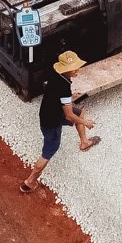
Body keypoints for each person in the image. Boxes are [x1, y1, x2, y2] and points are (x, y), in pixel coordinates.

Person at [20, 50, 100, 193]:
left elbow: (63, 103)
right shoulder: (64, 88)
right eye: (74, 67)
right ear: (67, 70)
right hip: (52, 122)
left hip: (49, 112)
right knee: (48, 151)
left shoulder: (56, 75)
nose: (77, 70)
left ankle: (84, 142)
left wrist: (68, 102)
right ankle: (30, 181)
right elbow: (69, 115)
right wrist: (85, 123)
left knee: (80, 111)